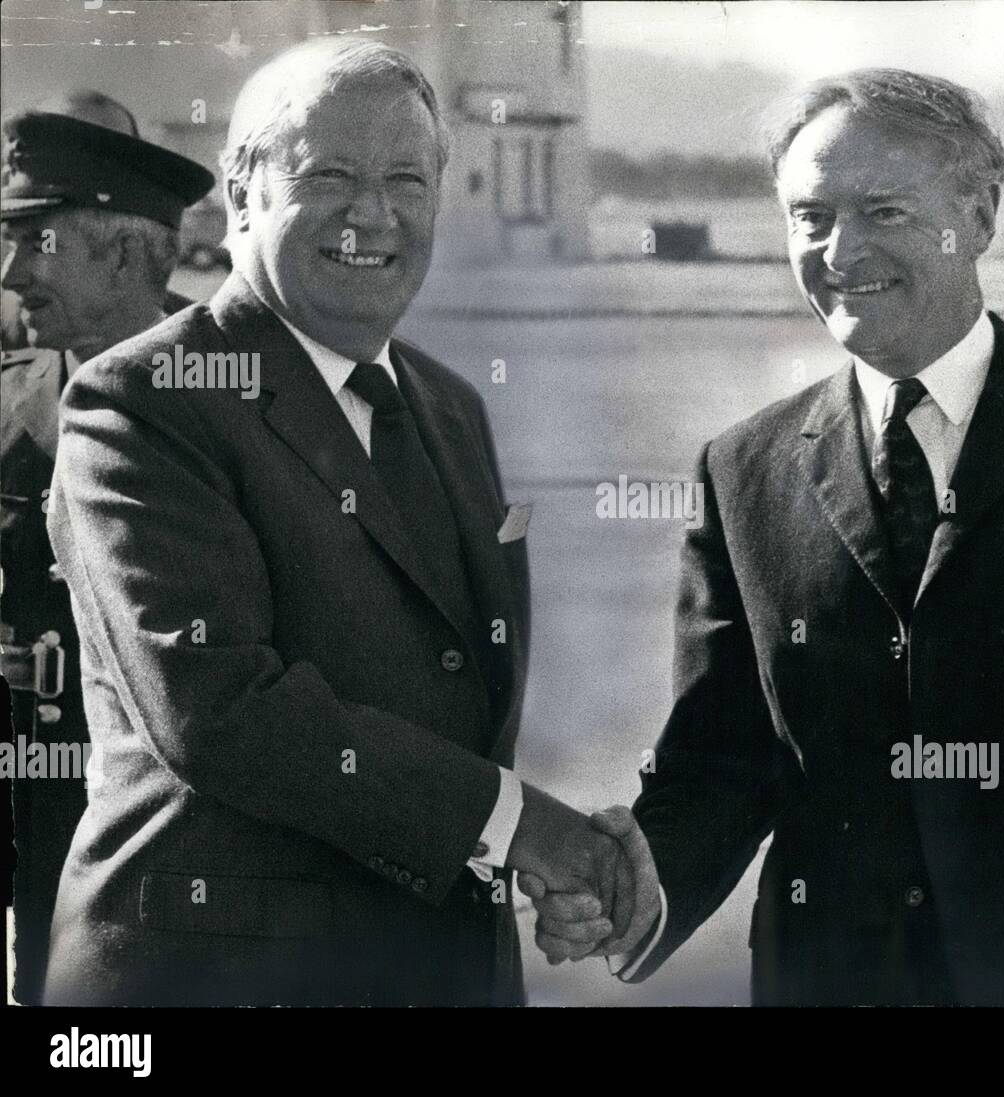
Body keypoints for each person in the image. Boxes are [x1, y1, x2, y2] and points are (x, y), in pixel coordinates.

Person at [526, 68, 1004, 1006]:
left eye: (883, 210)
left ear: (979, 216)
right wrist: (641, 886)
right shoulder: (743, 468)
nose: (841, 251)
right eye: (809, 216)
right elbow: (723, 761)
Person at [42, 38, 645, 1006]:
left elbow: (451, 714)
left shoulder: (449, 407)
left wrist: (531, 863)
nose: (374, 213)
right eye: (329, 177)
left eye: (406, 179)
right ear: (240, 197)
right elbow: (221, 710)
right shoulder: (144, 397)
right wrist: (520, 825)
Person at [1, 92, 214, 1004]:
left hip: (186, 824)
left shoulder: (238, 398)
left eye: (33, 242)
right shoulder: (12, 404)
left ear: (125, 249)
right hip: (35, 803)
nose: (10, 273)